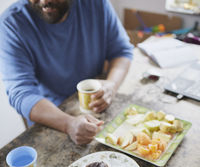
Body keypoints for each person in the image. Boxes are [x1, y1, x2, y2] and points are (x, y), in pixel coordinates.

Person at [0, 0, 133, 144]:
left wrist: (111, 84)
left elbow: (122, 51)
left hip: (99, 107)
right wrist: (68, 123)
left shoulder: (97, 3)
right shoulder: (11, 24)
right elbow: (21, 93)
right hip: (52, 117)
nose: (45, 2)